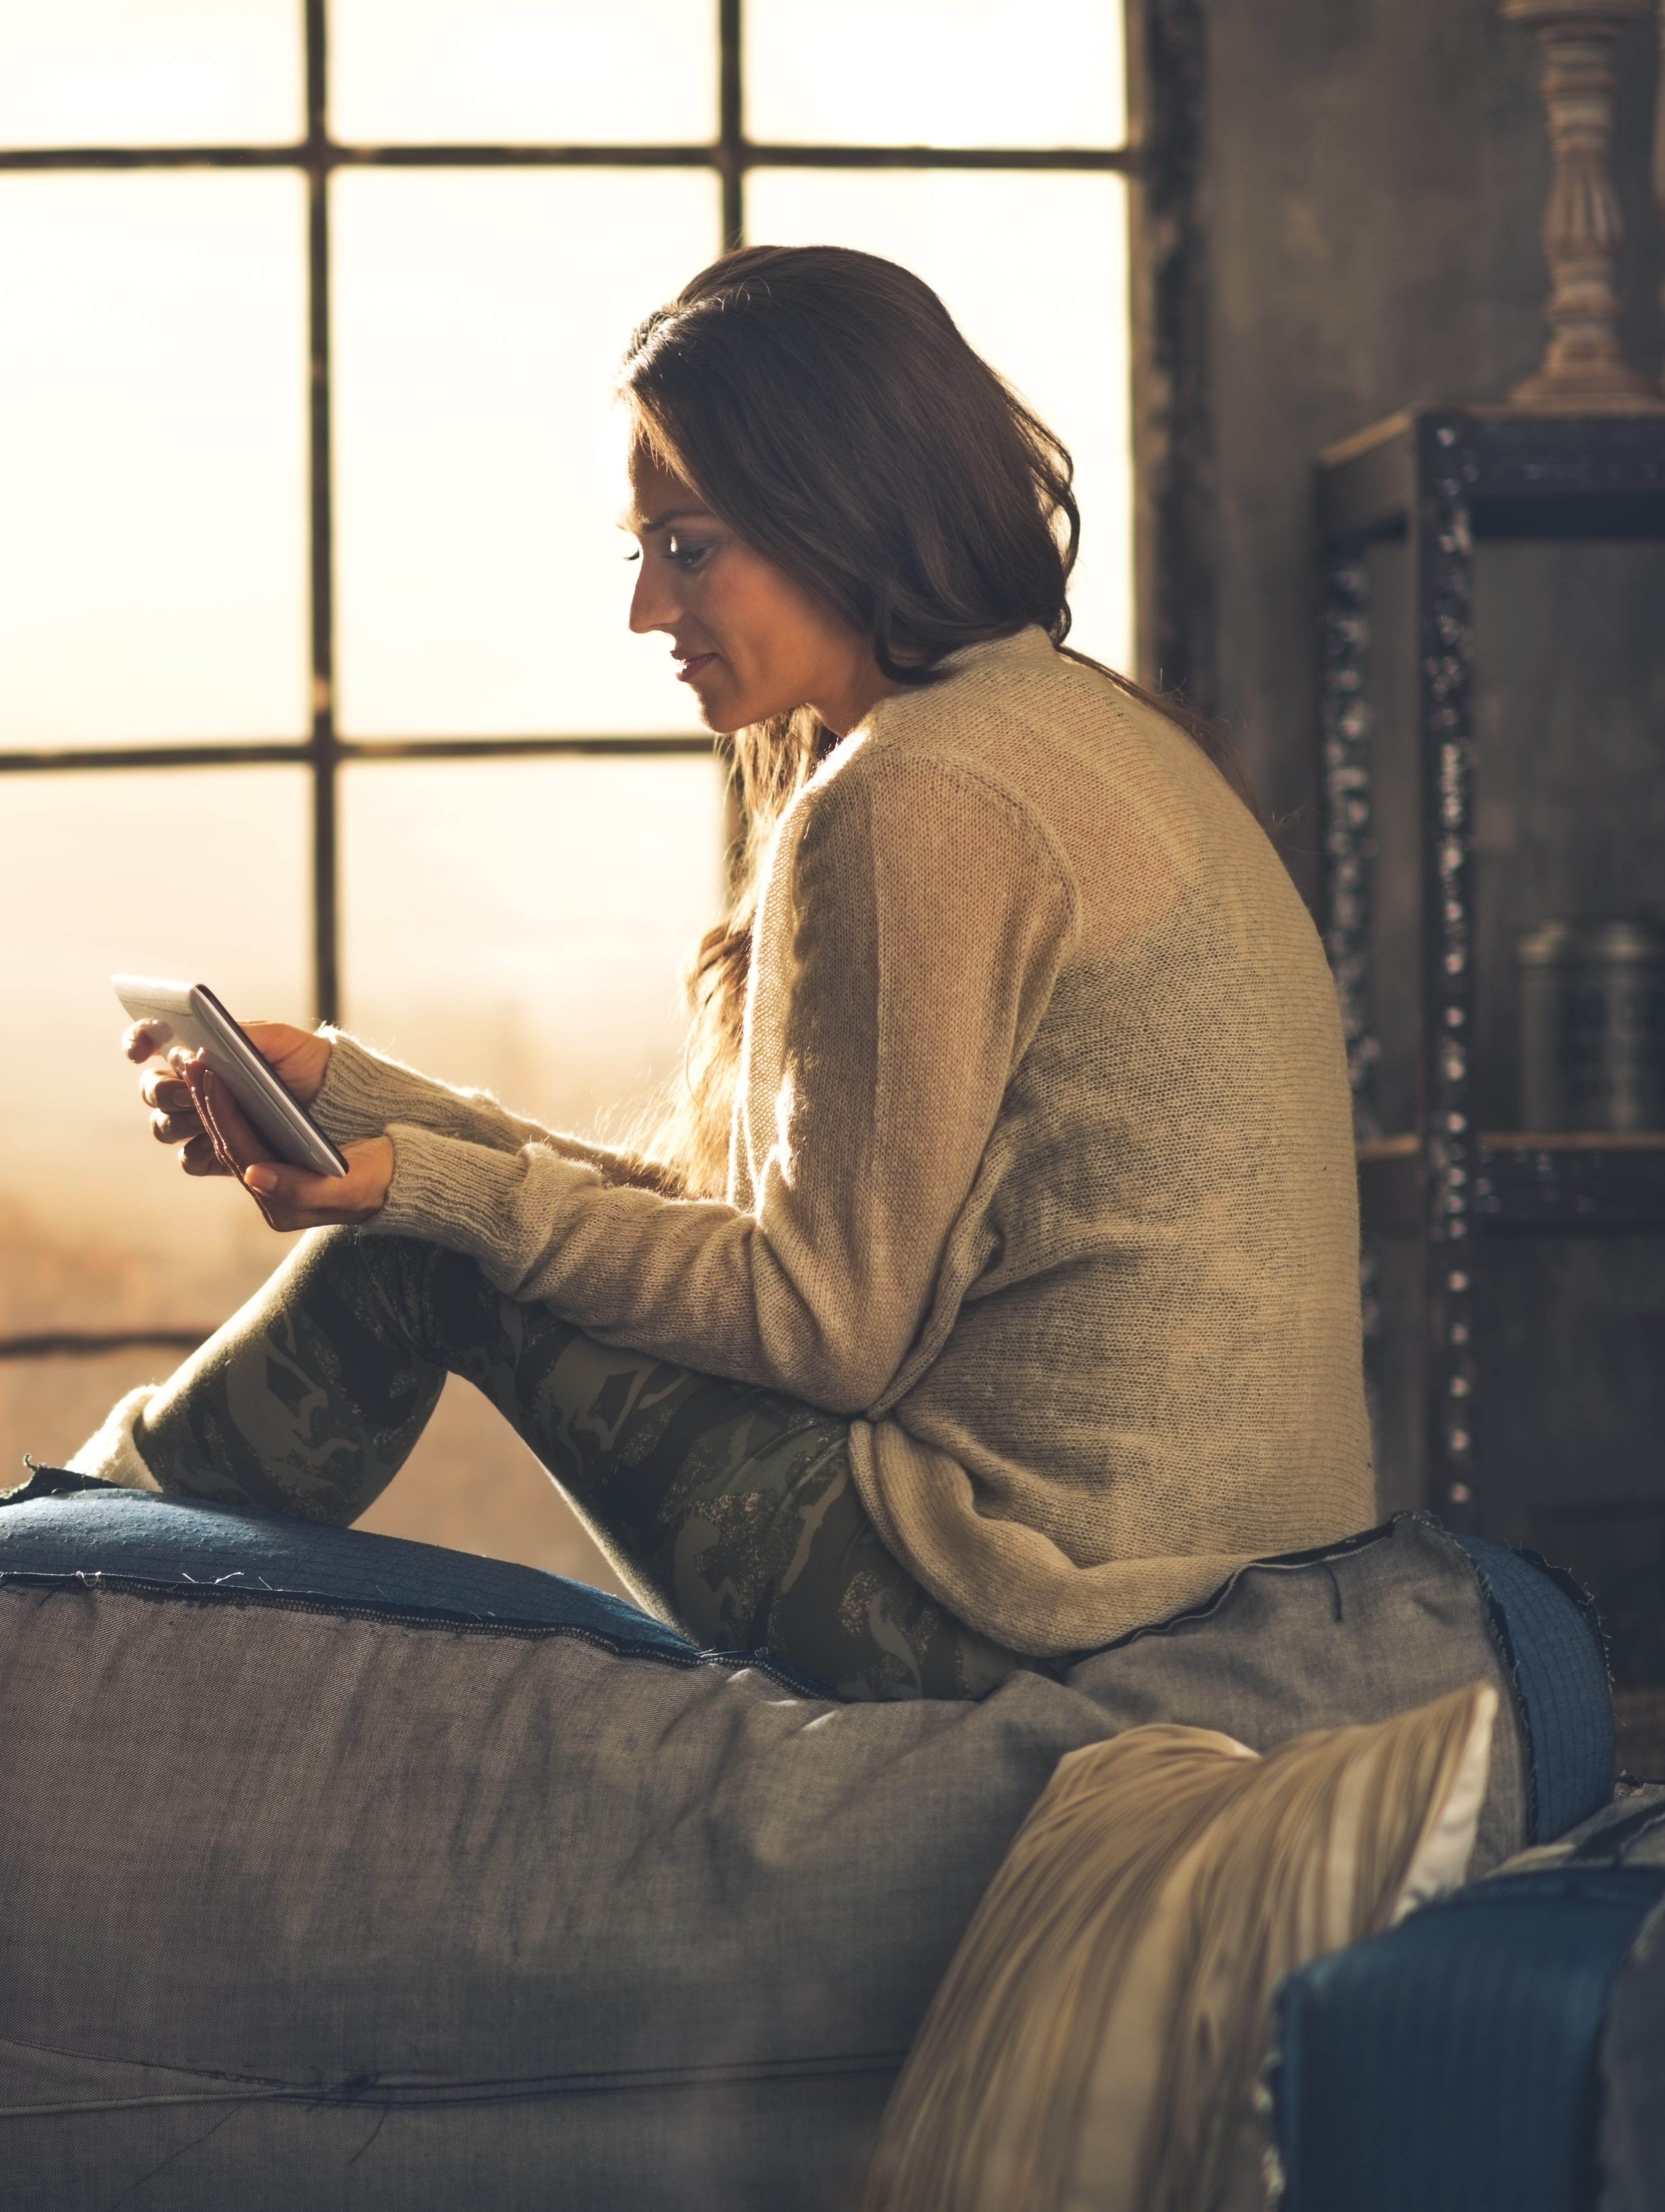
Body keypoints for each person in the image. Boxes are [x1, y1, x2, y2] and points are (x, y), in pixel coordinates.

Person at [67, 244, 1372, 1702]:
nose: (644, 610)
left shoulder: (918, 792)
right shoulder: (1075, 732)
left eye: (689, 549)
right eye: (641, 552)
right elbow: (767, 1248)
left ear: (843, 508)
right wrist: (375, 1105)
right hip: (1205, 1576)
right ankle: (56, 1554)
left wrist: (422, 1189)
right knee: (438, 1220)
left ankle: (38, 1595)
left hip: (1031, 1601)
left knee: (421, 1249)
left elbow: (816, 1324)